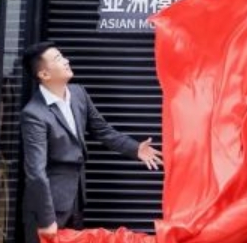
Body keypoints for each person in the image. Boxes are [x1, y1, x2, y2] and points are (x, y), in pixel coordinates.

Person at [20, 41, 163, 243]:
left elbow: (103, 130)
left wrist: (135, 148)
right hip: (48, 207)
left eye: (62, 56)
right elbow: (36, 172)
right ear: (44, 74)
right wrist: (46, 219)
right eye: (58, 59)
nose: (66, 61)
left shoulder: (78, 94)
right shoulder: (34, 114)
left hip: (76, 199)